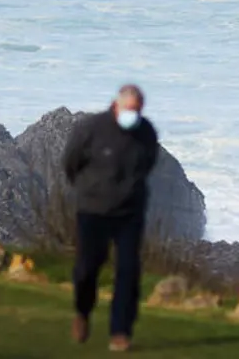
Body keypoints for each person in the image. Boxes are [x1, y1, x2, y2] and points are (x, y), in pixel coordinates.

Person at [62, 84, 160, 352]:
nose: (133, 115)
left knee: (128, 271)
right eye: (129, 110)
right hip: (93, 210)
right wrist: (87, 189)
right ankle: (82, 312)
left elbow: (149, 162)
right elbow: (71, 162)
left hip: (129, 212)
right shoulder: (91, 128)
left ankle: (120, 331)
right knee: (87, 268)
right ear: (116, 106)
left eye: (137, 111)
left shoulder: (146, 132)